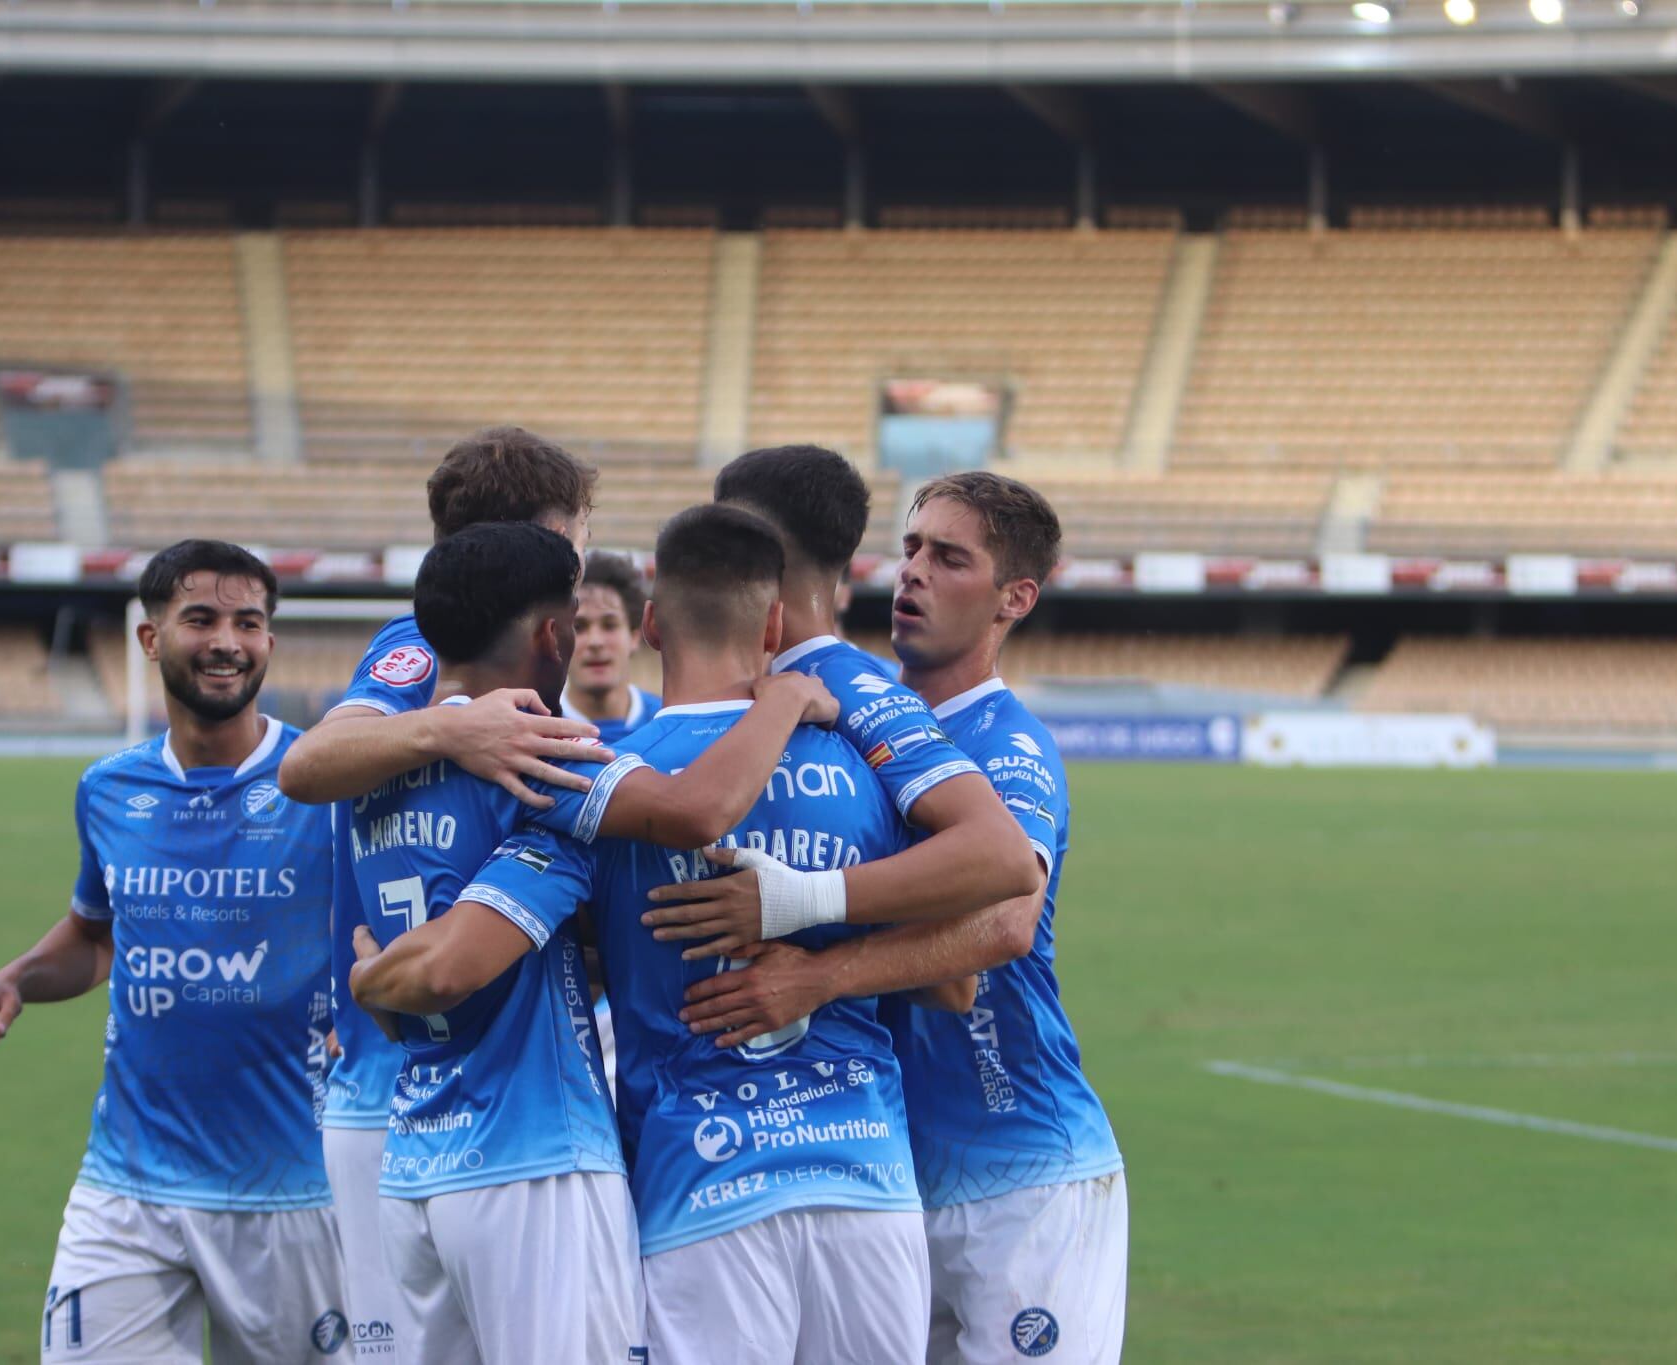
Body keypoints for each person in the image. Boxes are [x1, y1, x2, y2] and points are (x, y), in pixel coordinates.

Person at [359, 504, 963, 1365]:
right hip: (867, 1177)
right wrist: (828, 962)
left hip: (699, 1185)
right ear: (775, 624)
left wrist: (374, 980)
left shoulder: (606, 778)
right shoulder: (865, 771)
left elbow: (522, 948)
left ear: (647, 625)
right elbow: (955, 980)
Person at [682, 474, 1127, 1365]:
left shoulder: (1007, 745)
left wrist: (817, 964)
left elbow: (1002, 926)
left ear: (1015, 599)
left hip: (1022, 1168)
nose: (913, 573)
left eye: (949, 558)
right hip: (891, 1167)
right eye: (912, 547)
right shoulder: (858, 719)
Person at [0, 540, 347, 1364]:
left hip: (292, 1187)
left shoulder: (324, 785)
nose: (227, 641)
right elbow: (95, 936)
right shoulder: (108, 788)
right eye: (199, 618)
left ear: (271, 640)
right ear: (150, 638)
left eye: (249, 621)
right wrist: (15, 978)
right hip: (127, 1183)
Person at [276, 425, 603, 1349]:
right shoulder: (419, 652)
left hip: (449, 1084)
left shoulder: (516, 674)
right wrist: (447, 730)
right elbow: (306, 764)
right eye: (576, 532)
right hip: (417, 1087)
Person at [638, 444, 1042, 959]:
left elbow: (1003, 858)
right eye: (910, 549)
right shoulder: (765, 680)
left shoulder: (853, 691)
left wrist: (802, 907)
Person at [277, 426, 608, 811]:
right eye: (585, 536)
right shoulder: (425, 639)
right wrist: (453, 726)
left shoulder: (531, 646)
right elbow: (303, 767)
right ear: (558, 537)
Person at [561, 551, 663, 746]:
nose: (596, 642)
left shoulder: (666, 721)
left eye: (610, 625)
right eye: (579, 627)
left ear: (634, 636)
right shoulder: (535, 730)